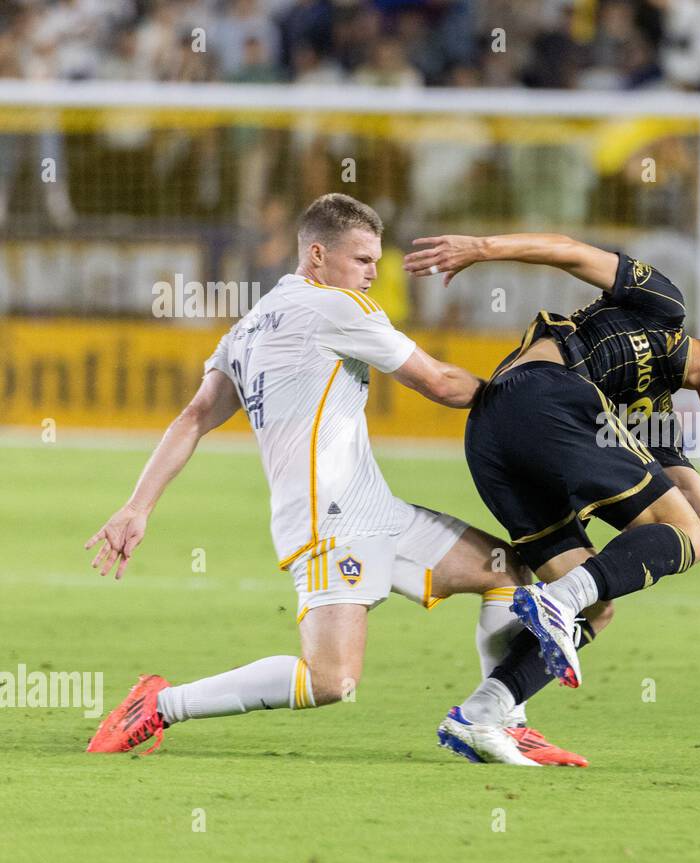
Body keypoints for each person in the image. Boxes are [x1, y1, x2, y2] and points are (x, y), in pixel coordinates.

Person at [83, 195, 586, 766]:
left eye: (377, 260)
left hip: (376, 512)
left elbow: (195, 416)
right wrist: (538, 391)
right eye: (362, 259)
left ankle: (501, 720)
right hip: (331, 524)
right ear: (318, 255)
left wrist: (137, 506)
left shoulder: (249, 325)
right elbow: (442, 383)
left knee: (507, 571)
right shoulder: (338, 309)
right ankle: (160, 704)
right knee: (331, 681)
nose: (374, 273)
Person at [403, 233, 700, 764]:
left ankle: (484, 712)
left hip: (493, 441)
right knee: (682, 537)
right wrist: (481, 249)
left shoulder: (655, 411)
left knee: (598, 606)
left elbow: (690, 488)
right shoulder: (664, 305)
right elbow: (572, 253)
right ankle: (557, 602)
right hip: (540, 394)